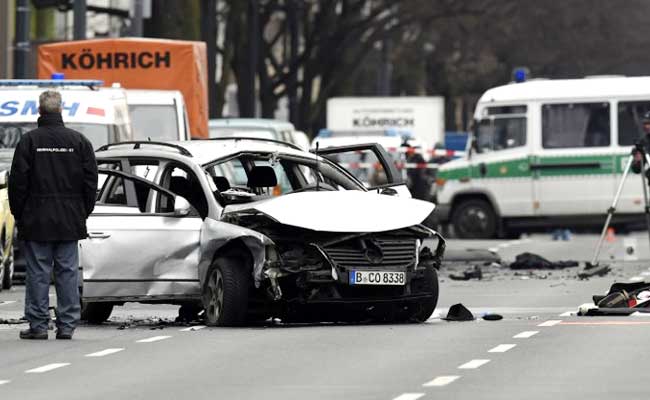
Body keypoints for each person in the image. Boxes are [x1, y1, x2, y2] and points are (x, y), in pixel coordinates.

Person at [9, 90, 97, 340]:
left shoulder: (29, 142)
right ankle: (67, 325)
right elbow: (91, 182)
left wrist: (20, 214)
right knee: (67, 271)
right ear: (61, 110)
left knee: (38, 272)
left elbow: (18, 183)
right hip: (70, 218)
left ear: (39, 111)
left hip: (37, 218)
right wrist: (83, 211)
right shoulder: (79, 142)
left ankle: (38, 325)